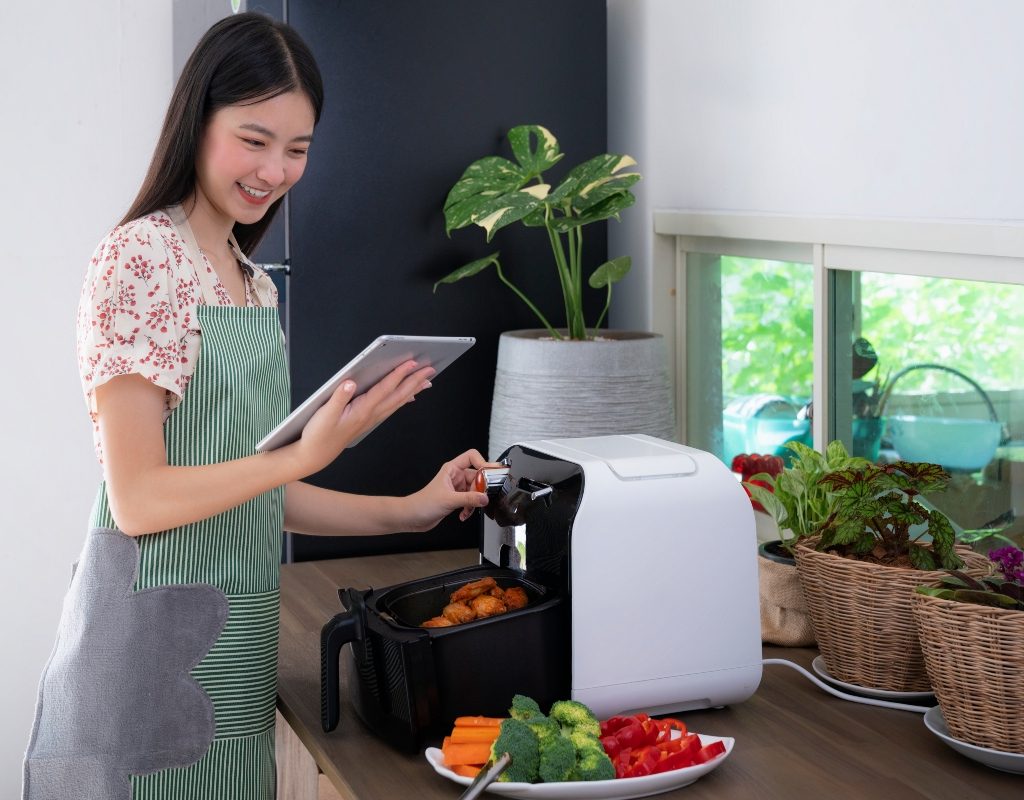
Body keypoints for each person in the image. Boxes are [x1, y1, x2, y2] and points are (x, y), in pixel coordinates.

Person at [23, 12, 489, 800]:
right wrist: (307, 451)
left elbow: (253, 499)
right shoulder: (139, 260)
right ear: (197, 120)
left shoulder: (252, 281)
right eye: (254, 138)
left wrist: (410, 511)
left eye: (298, 148)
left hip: (233, 670)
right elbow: (139, 500)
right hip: (142, 679)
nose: (275, 169)